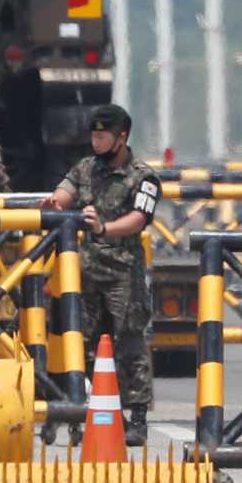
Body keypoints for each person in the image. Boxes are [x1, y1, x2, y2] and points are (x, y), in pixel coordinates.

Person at [42, 104, 160, 446]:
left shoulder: (143, 176)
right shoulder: (85, 168)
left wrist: (104, 227)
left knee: (130, 342)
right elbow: (64, 192)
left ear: (121, 138)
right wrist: (55, 203)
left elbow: (139, 219)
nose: (96, 141)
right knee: (85, 342)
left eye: (102, 136)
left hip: (123, 271)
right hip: (88, 269)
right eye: (93, 135)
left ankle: (137, 417)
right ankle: (86, 413)